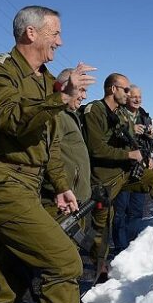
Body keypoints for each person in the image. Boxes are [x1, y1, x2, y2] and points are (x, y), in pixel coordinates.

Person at [0, 5, 95, 303]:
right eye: (55, 34)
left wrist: (62, 184)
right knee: (64, 261)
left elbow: (48, 142)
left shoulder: (47, 82)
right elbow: (7, 118)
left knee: (8, 273)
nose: (61, 42)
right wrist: (58, 99)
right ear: (31, 33)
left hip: (29, 183)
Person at [82, 73, 153, 278]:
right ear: (112, 89)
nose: (129, 93)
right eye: (125, 90)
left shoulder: (122, 114)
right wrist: (128, 154)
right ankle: (100, 271)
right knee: (101, 227)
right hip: (105, 179)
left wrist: (144, 156)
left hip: (126, 174)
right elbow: (96, 148)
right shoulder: (95, 111)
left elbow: (131, 141)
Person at [41, 68, 91, 218]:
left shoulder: (69, 115)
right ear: (65, 87)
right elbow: (48, 154)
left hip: (73, 200)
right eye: (81, 90)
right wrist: (58, 188)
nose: (84, 96)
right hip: (60, 203)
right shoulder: (58, 115)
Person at [112, 84, 153, 253]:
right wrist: (130, 129)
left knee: (136, 210)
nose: (137, 99)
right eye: (134, 96)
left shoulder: (144, 116)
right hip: (122, 168)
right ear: (126, 97)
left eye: (140, 97)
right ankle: (121, 248)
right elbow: (111, 137)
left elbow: (152, 144)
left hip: (140, 168)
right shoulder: (118, 113)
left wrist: (151, 138)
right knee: (120, 210)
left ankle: (132, 247)